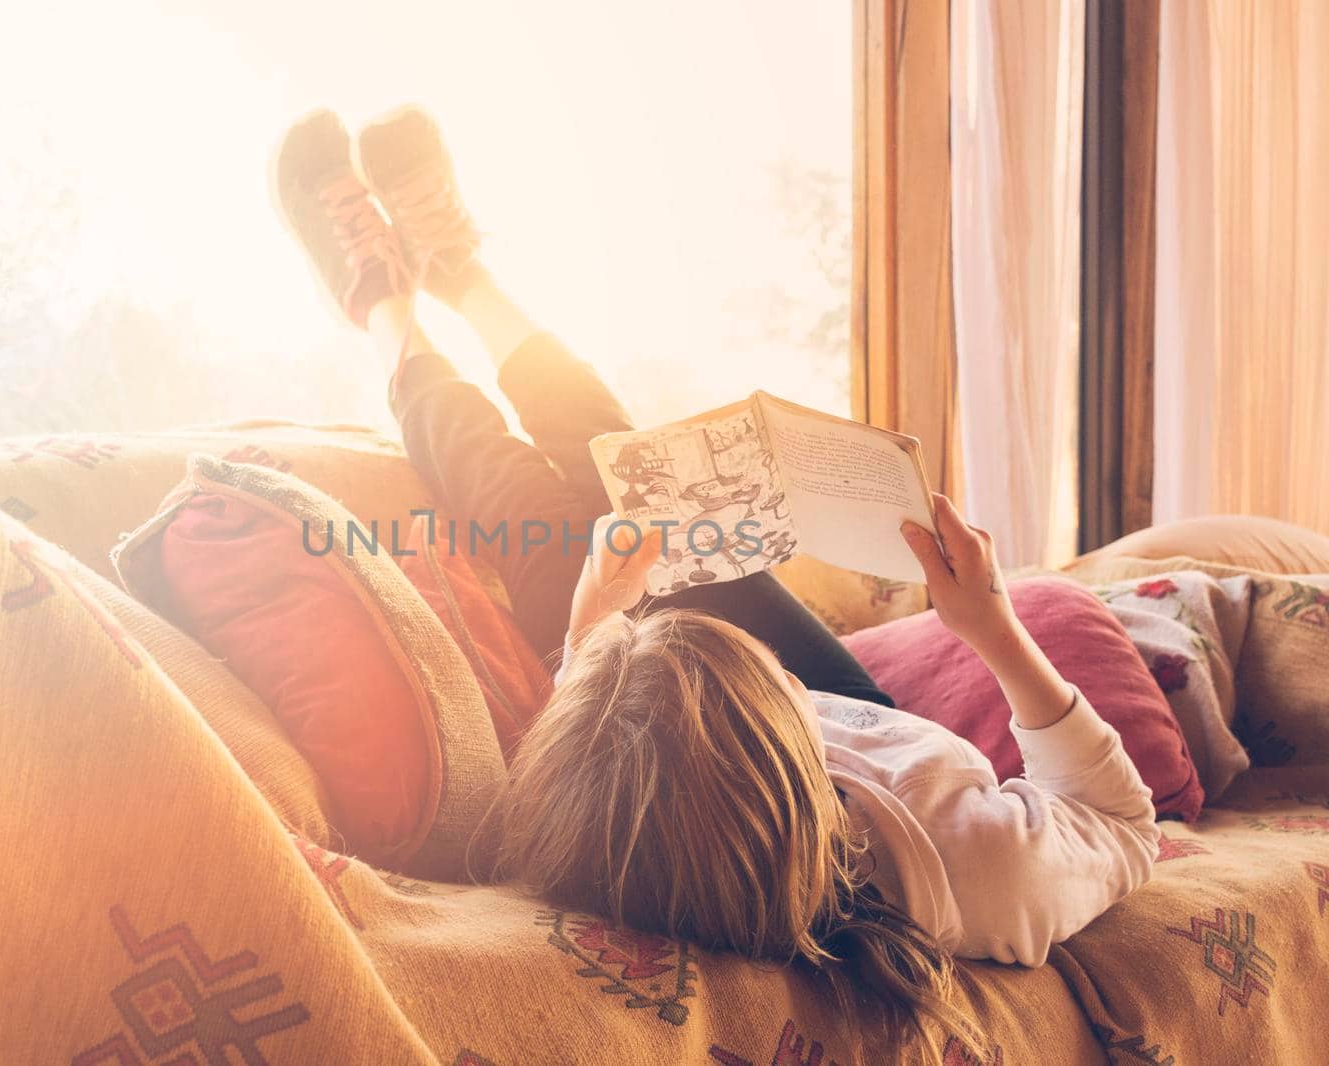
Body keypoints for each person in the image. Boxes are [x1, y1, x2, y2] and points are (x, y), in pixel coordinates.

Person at [273, 106, 1158, 1062]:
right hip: (838, 752)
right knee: (658, 514)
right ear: (790, 725)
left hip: (692, 756)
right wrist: (991, 628)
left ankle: (384, 308)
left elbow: (615, 765)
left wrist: (590, 634)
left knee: (568, 510)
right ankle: (466, 278)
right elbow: (1121, 821)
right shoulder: (980, 862)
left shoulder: (622, 817)